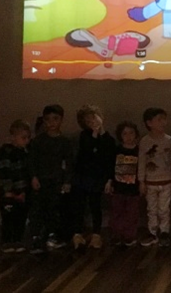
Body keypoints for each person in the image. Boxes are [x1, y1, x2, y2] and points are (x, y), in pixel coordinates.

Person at [29, 104, 74, 253]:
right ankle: (37, 237)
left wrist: (67, 181)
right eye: (48, 119)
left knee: (54, 209)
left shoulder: (65, 142)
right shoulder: (38, 141)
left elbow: (69, 163)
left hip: (56, 181)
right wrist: (34, 177)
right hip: (41, 180)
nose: (51, 123)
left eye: (55, 119)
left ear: (61, 120)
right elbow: (32, 161)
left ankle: (52, 235)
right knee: (38, 209)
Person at [69, 105, 116, 250]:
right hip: (82, 176)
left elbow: (110, 161)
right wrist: (94, 134)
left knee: (95, 206)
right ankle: (77, 235)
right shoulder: (84, 136)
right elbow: (87, 153)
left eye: (94, 118)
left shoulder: (109, 139)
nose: (92, 122)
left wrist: (109, 179)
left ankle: (96, 235)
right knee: (79, 206)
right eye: (88, 121)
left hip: (97, 178)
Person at [138, 107, 171, 247]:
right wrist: (141, 181)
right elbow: (142, 161)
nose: (163, 122)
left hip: (166, 181)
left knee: (164, 209)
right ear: (149, 123)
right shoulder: (145, 141)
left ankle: (164, 231)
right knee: (152, 209)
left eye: (164, 119)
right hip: (150, 181)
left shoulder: (169, 140)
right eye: (159, 119)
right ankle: (152, 232)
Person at [0, 120, 32, 253]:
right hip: (9, 194)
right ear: (12, 137)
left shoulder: (25, 153)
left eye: (28, 137)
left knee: (20, 217)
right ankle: (7, 241)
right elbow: (5, 174)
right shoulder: (5, 153)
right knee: (8, 218)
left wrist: (25, 191)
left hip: (23, 191)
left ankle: (17, 239)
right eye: (23, 137)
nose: (26, 140)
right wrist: (8, 191)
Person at [109, 121, 141, 247]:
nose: (128, 136)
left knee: (132, 213)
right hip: (118, 188)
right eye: (125, 134)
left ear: (136, 134)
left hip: (134, 189)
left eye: (131, 133)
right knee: (117, 211)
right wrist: (110, 182)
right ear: (120, 136)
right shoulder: (116, 150)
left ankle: (129, 235)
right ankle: (117, 234)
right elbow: (110, 167)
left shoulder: (139, 151)